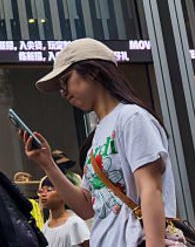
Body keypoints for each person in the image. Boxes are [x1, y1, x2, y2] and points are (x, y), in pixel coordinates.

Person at [21, 39, 175, 247]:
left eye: (65, 80)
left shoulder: (132, 118)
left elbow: (151, 189)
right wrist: (47, 164)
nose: (63, 91)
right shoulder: (98, 135)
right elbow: (86, 207)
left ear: (93, 72)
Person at [39, 175, 90, 247]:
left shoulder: (75, 223)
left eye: (49, 190)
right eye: (41, 191)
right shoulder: (45, 228)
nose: (43, 194)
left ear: (63, 194)